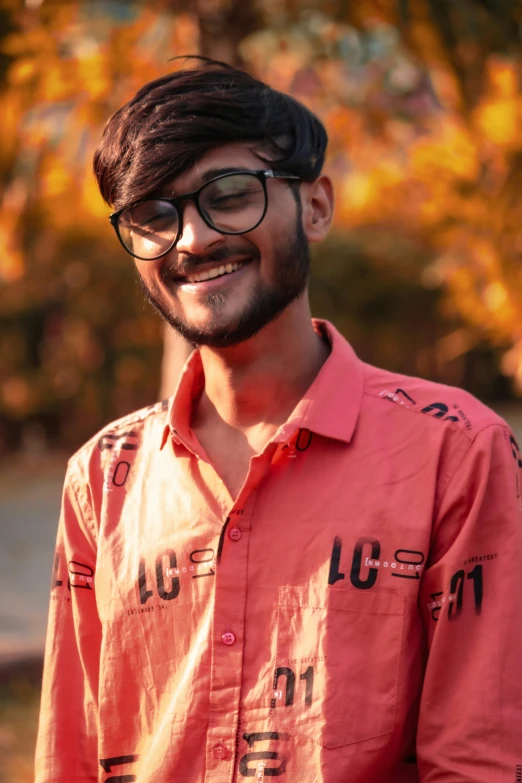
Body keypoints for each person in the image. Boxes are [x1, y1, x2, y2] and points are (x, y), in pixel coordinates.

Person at [35, 57, 522, 783]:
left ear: (316, 207)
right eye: (153, 216)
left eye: (228, 196)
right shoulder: (103, 477)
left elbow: (478, 760)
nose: (192, 240)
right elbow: (69, 759)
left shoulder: (455, 450)